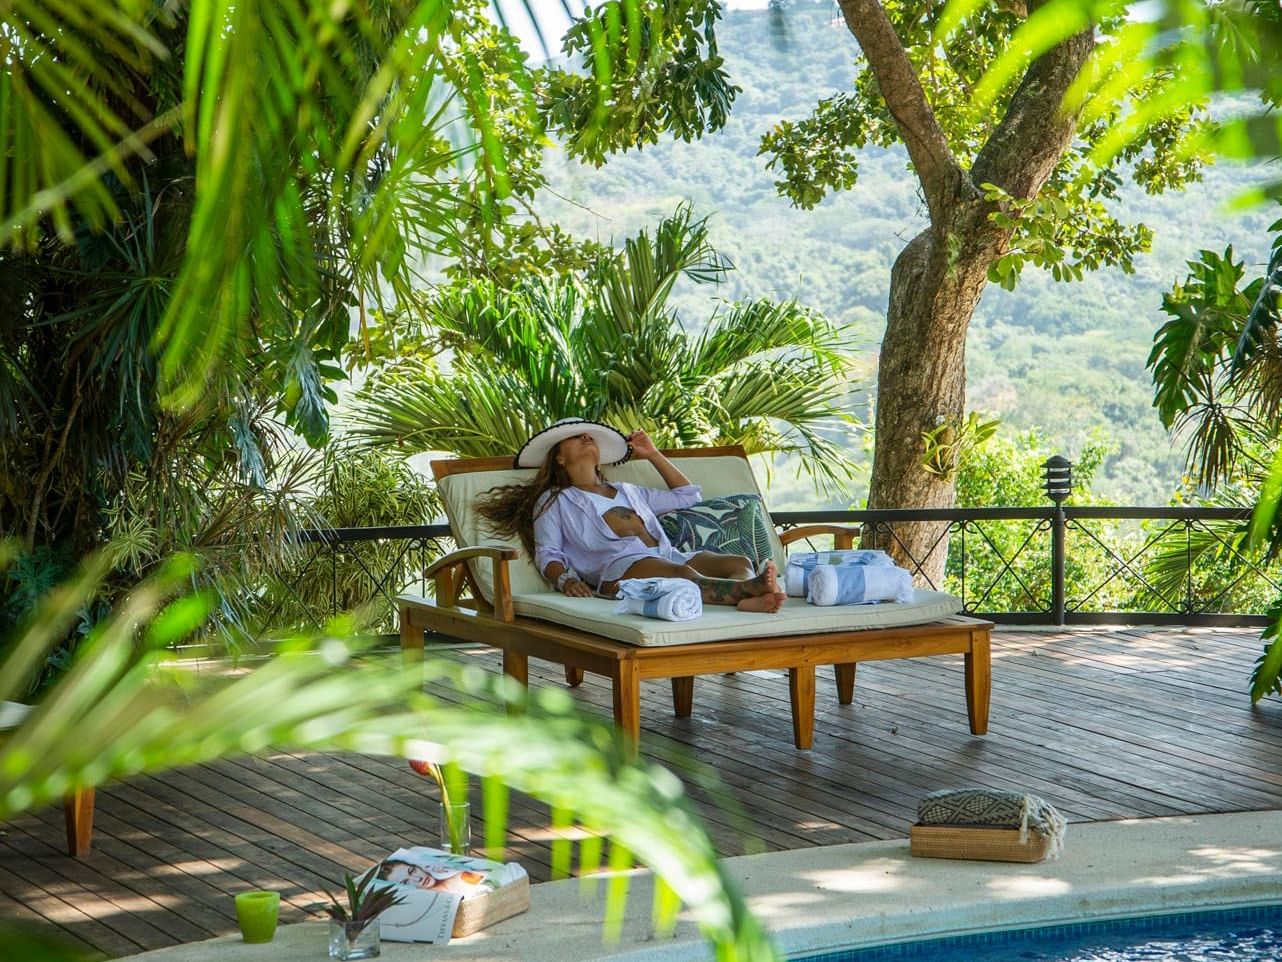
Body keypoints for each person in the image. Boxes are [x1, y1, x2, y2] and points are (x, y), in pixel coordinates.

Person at [475, 418, 786, 612]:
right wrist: (565, 579)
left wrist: (652, 454)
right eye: (576, 436)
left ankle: (748, 598)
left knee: (738, 562)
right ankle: (748, 590)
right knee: (683, 577)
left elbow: (688, 496)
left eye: (589, 435)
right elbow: (549, 553)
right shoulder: (556, 501)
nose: (587, 437)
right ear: (558, 456)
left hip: (668, 556)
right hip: (617, 572)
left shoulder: (629, 491)